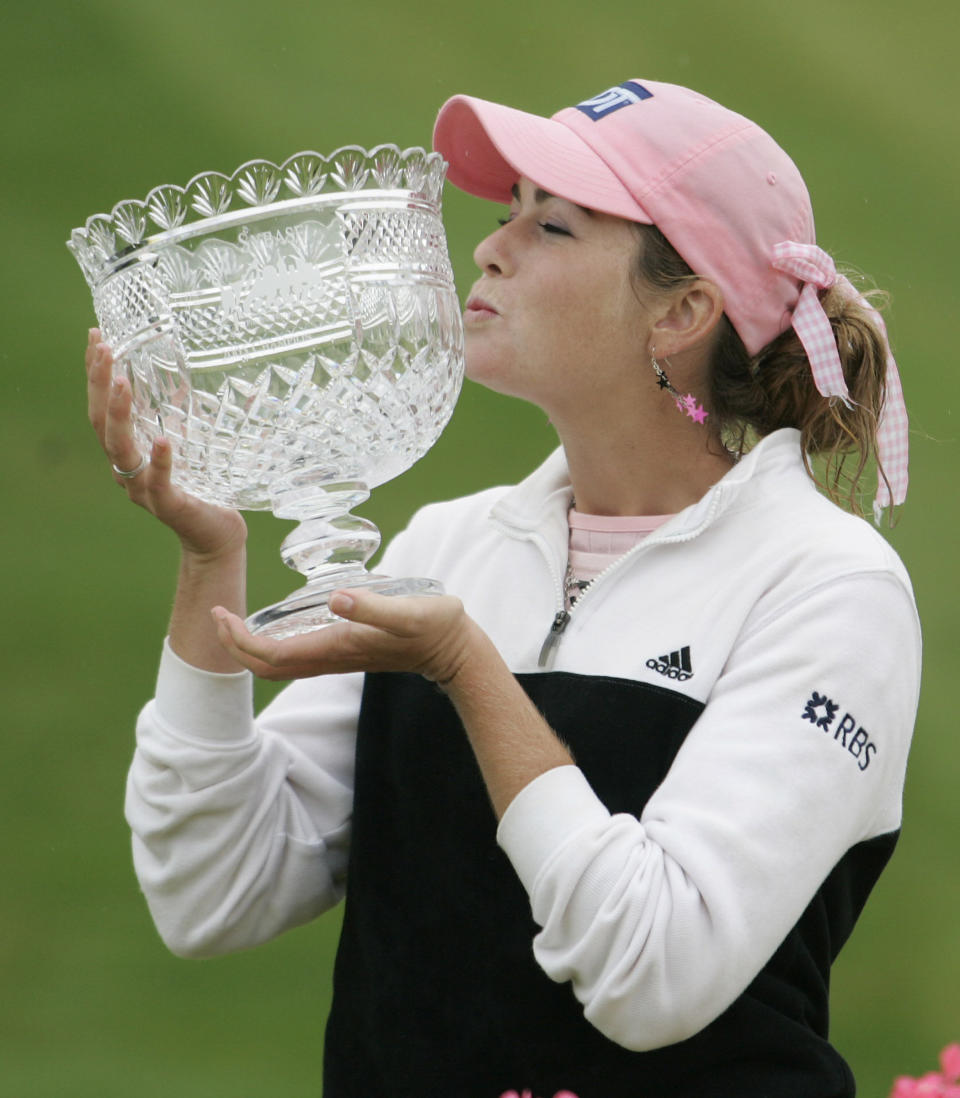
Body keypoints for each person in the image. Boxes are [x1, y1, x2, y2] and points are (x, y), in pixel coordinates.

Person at [85, 79, 921, 1097]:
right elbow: (212, 891)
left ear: (684, 311)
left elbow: (653, 973)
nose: (490, 247)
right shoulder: (451, 543)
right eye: (505, 212)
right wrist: (211, 563)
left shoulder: (829, 586)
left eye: (553, 226)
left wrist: (466, 669)